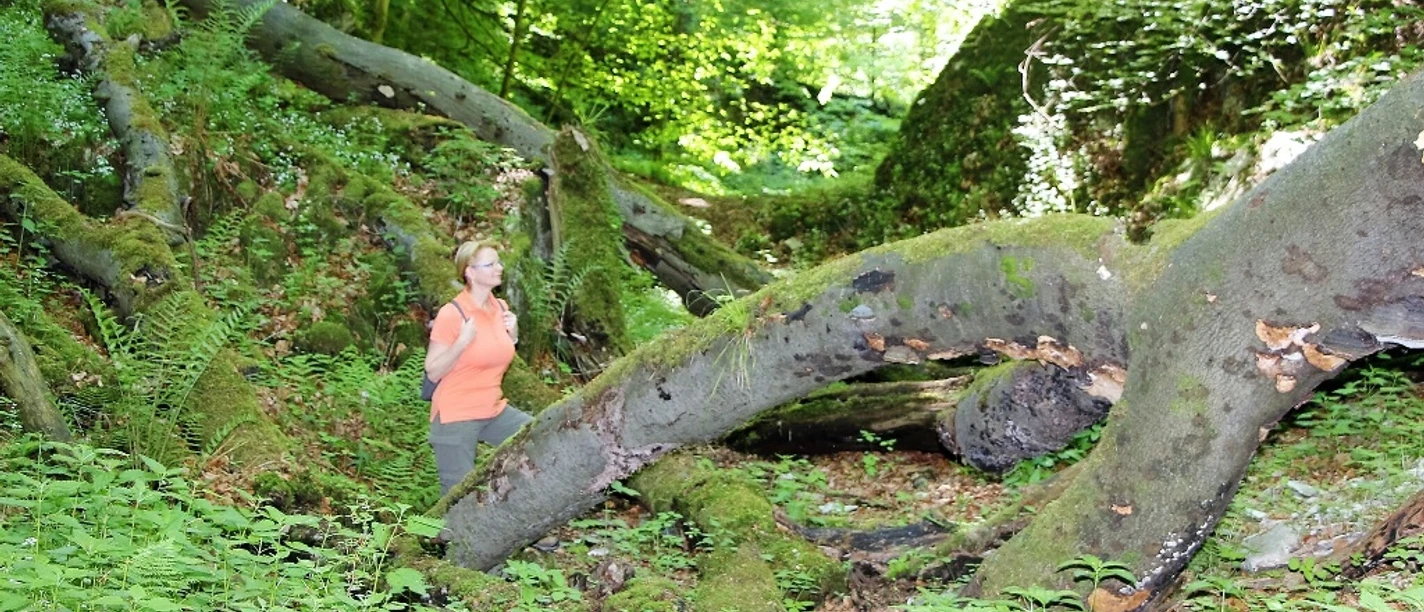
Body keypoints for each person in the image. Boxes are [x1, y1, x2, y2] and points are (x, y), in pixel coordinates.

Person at [424, 241, 531, 495]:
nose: (499, 268)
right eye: (491, 264)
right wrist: (461, 342)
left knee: (540, 438)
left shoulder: (500, 308)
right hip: (456, 414)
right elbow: (433, 370)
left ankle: (518, 522)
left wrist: (513, 336)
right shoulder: (453, 313)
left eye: (499, 262)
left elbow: (492, 357)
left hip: (494, 410)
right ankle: (443, 535)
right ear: (470, 272)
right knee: (457, 497)